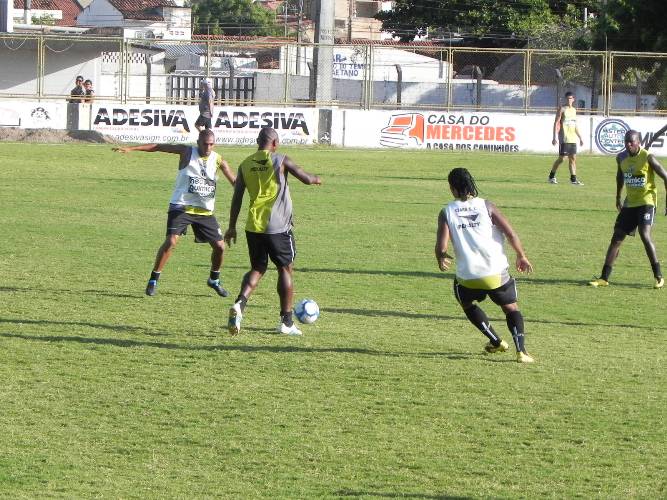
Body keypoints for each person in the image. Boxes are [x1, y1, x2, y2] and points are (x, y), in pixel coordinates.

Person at [113, 129, 236, 297]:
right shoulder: (186, 151)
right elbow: (158, 146)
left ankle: (214, 279)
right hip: (181, 206)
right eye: (205, 144)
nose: (208, 147)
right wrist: (132, 149)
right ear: (198, 142)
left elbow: (235, 182)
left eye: (211, 144)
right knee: (171, 241)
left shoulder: (219, 160)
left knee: (220, 247)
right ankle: (154, 279)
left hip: (204, 211)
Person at [224, 127, 322, 336]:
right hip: (278, 228)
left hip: (253, 227)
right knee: (285, 269)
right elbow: (305, 178)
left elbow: (237, 198)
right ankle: (286, 322)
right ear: (275, 143)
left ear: (258, 142)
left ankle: (240, 304)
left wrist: (232, 226)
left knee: (257, 268)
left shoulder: (244, 164)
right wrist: (317, 179)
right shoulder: (280, 160)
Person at [435, 167, 535, 363]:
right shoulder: (487, 206)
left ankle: (496, 341)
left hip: (468, 277)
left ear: (452, 188)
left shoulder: (446, 212)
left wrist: (441, 257)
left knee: (466, 303)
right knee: (511, 308)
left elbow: (441, 246)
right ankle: (521, 351)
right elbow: (511, 233)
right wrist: (521, 255)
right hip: (495, 273)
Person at [589, 130, 667, 289]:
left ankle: (658, 276)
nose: (628, 145)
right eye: (626, 142)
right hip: (630, 203)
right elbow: (620, 177)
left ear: (638, 142)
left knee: (645, 235)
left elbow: (666, 177)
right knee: (616, 238)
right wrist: (618, 197)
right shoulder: (621, 158)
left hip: (647, 201)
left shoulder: (648, 157)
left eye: (631, 142)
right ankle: (604, 278)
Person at [548, 91, 584, 185]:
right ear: (565, 99)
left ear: (573, 99)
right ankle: (551, 176)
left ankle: (573, 179)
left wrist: (580, 137)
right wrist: (554, 137)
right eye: (567, 98)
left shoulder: (574, 110)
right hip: (564, 138)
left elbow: (575, 125)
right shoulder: (562, 109)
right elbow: (556, 123)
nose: (569, 100)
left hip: (573, 139)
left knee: (573, 158)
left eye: (570, 98)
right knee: (562, 159)